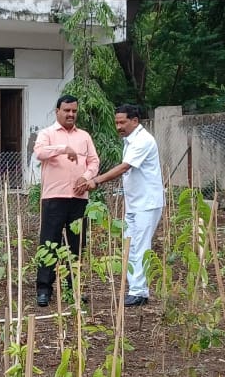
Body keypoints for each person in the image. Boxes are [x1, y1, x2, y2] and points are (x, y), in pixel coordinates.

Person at [76, 104, 164, 307]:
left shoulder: (143, 140)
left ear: (135, 121)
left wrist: (96, 180)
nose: (118, 126)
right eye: (116, 122)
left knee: (140, 246)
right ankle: (135, 289)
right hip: (135, 202)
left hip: (147, 203)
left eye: (122, 122)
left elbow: (125, 167)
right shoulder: (130, 141)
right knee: (130, 245)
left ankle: (139, 292)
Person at [33, 95, 100, 307]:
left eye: (74, 111)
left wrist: (87, 177)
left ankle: (74, 288)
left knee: (76, 244)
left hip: (79, 198)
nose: (71, 114)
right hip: (54, 198)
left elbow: (94, 161)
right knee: (49, 243)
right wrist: (63, 149)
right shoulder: (47, 134)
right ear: (57, 111)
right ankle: (44, 289)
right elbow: (39, 152)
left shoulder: (84, 136)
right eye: (66, 111)